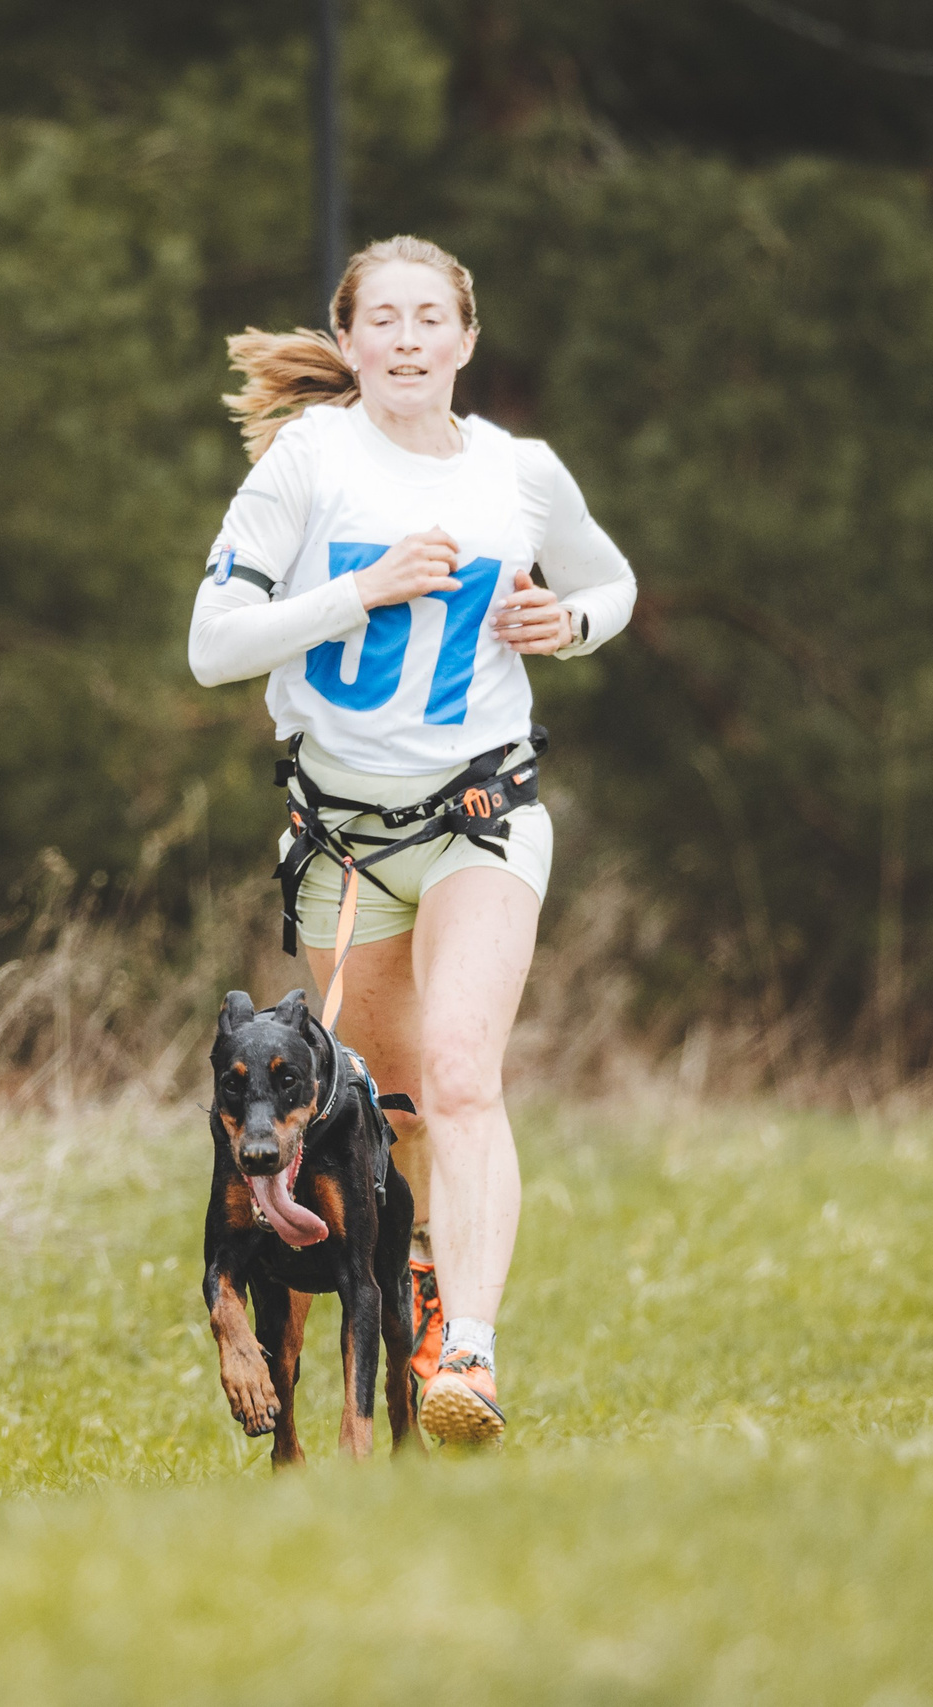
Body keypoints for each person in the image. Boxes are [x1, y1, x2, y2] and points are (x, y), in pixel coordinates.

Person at [187, 235, 637, 1445]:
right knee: (385, 1115)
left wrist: (564, 623)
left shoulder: (519, 473)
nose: (404, 338)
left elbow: (612, 586)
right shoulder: (307, 462)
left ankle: (469, 1357)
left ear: (465, 340)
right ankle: (424, 1269)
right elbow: (211, 645)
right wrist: (362, 588)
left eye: (428, 318)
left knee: (459, 1074)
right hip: (342, 844)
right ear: (346, 341)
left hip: (481, 818)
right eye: (380, 318)